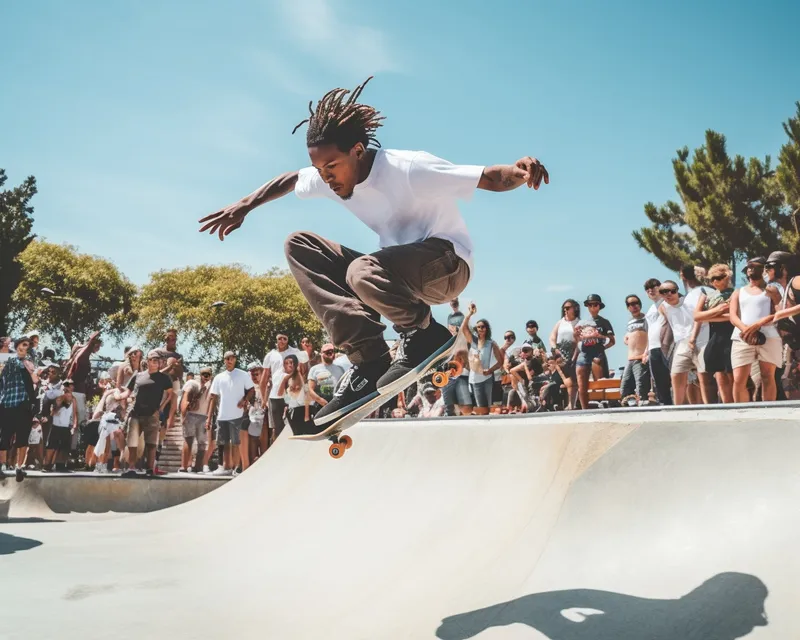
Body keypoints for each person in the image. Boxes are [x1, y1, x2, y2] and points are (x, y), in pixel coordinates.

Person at [198, 76, 548, 430]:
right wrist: (243, 205)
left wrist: (520, 171)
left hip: (448, 266)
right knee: (299, 244)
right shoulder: (329, 173)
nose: (326, 178)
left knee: (361, 272)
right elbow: (290, 180)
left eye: (331, 167)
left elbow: (486, 177)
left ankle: (425, 334)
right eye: (320, 170)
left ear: (358, 151)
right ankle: (368, 359)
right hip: (397, 278)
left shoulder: (407, 167)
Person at [729, 257, 782, 402]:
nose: (751, 268)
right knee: (739, 378)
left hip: (769, 336)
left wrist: (759, 323)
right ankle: (740, 413)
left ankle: (768, 410)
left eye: (755, 266)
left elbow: (779, 312)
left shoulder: (771, 290)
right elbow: (733, 316)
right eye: (748, 266)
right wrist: (746, 330)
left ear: (763, 269)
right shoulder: (738, 292)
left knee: (767, 375)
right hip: (742, 337)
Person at [118, 350, 174, 477]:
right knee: (132, 442)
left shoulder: (164, 378)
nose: (154, 362)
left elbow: (170, 394)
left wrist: (161, 407)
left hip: (152, 414)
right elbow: (127, 392)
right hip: (135, 413)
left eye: (156, 360)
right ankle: (131, 467)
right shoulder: (138, 375)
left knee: (151, 443)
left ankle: (150, 469)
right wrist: (118, 396)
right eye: (151, 360)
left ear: (159, 363)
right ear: (147, 361)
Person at [207, 351, 254, 476]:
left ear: (235, 359)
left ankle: (238, 468)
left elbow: (251, 390)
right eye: (226, 358)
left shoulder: (243, 375)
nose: (229, 361)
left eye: (231, 358)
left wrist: (244, 400)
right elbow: (213, 397)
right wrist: (209, 418)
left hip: (237, 415)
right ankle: (223, 467)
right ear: (224, 360)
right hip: (222, 415)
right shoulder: (219, 377)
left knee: (236, 442)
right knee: (222, 442)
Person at [694, 264, 735, 403]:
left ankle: (738, 405)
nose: (715, 282)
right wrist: (719, 310)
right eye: (712, 279)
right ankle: (727, 405)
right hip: (714, 336)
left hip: (731, 334)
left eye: (718, 278)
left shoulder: (735, 293)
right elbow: (697, 316)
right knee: (719, 374)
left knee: (732, 374)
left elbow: (733, 316)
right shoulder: (708, 295)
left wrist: (708, 315)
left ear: (727, 277)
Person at [0, 336, 37, 480]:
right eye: (24, 345)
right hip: (7, 403)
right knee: (5, 437)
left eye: (28, 346)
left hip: (23, 403)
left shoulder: (29, 363)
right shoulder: (7, 359)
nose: (26, 348)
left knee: (22, 437)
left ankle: (19, 467)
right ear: (17, 346)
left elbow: (34, 380)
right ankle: (2, 466)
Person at [461, 303, 504, 416]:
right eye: (478, 327)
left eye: (483, 327)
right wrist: (469, 314)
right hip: (475, 379)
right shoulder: (473, 341)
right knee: (481, 407)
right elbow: (464, 329)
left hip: (487, 378)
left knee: (487, 407)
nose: (480, 329)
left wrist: (490, 370)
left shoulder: (491, 344)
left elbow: (500, 362)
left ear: (487, 328)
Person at [574, 295, 615, 410]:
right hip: (584, 353)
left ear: (599, 306)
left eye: (595, 304)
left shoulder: (604, 322)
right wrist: (576, 335)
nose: (592, 307)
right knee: (582, 384)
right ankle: (584, 409)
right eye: (590, 305)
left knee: (600, 382)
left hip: (598, 353)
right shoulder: (581, 322)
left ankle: (603, 406)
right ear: (587, 306)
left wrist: (600, 340)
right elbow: (576, 339)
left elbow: (612, 341)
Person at [548, 299, 579, 410]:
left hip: (574, 353)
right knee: (564, 380)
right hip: (560, 354)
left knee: (573, 381)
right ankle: (566, 403)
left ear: (574, 308)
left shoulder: (578, 322)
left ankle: (572, 403)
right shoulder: (560, 322)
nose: (565, 310)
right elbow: (552, 337)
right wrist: (555, 349)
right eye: (564, 308)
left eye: (568, 307)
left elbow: (579, 341)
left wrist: (575, 355)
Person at [620, 295, 650, 404]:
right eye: (630, 304)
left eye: (636, 303)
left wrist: (646, 353)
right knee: (624, 387)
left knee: (641, 386)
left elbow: (652, 336)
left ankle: (642, 408)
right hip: (630, 359)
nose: (634, 306)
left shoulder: (647, 318)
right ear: (627, 307)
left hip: (641, 357)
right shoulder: (630, 321)